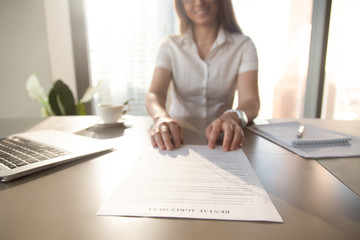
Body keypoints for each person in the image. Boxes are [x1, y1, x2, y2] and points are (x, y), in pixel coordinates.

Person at [146, 0, 260, 151]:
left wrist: (233, 116)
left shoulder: (243, 46)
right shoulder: (169, 46)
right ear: (181, 4)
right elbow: (154, 94)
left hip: (222, 141)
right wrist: (160, 117)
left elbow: (251, 101)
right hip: (176, 140)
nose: (198, 3)